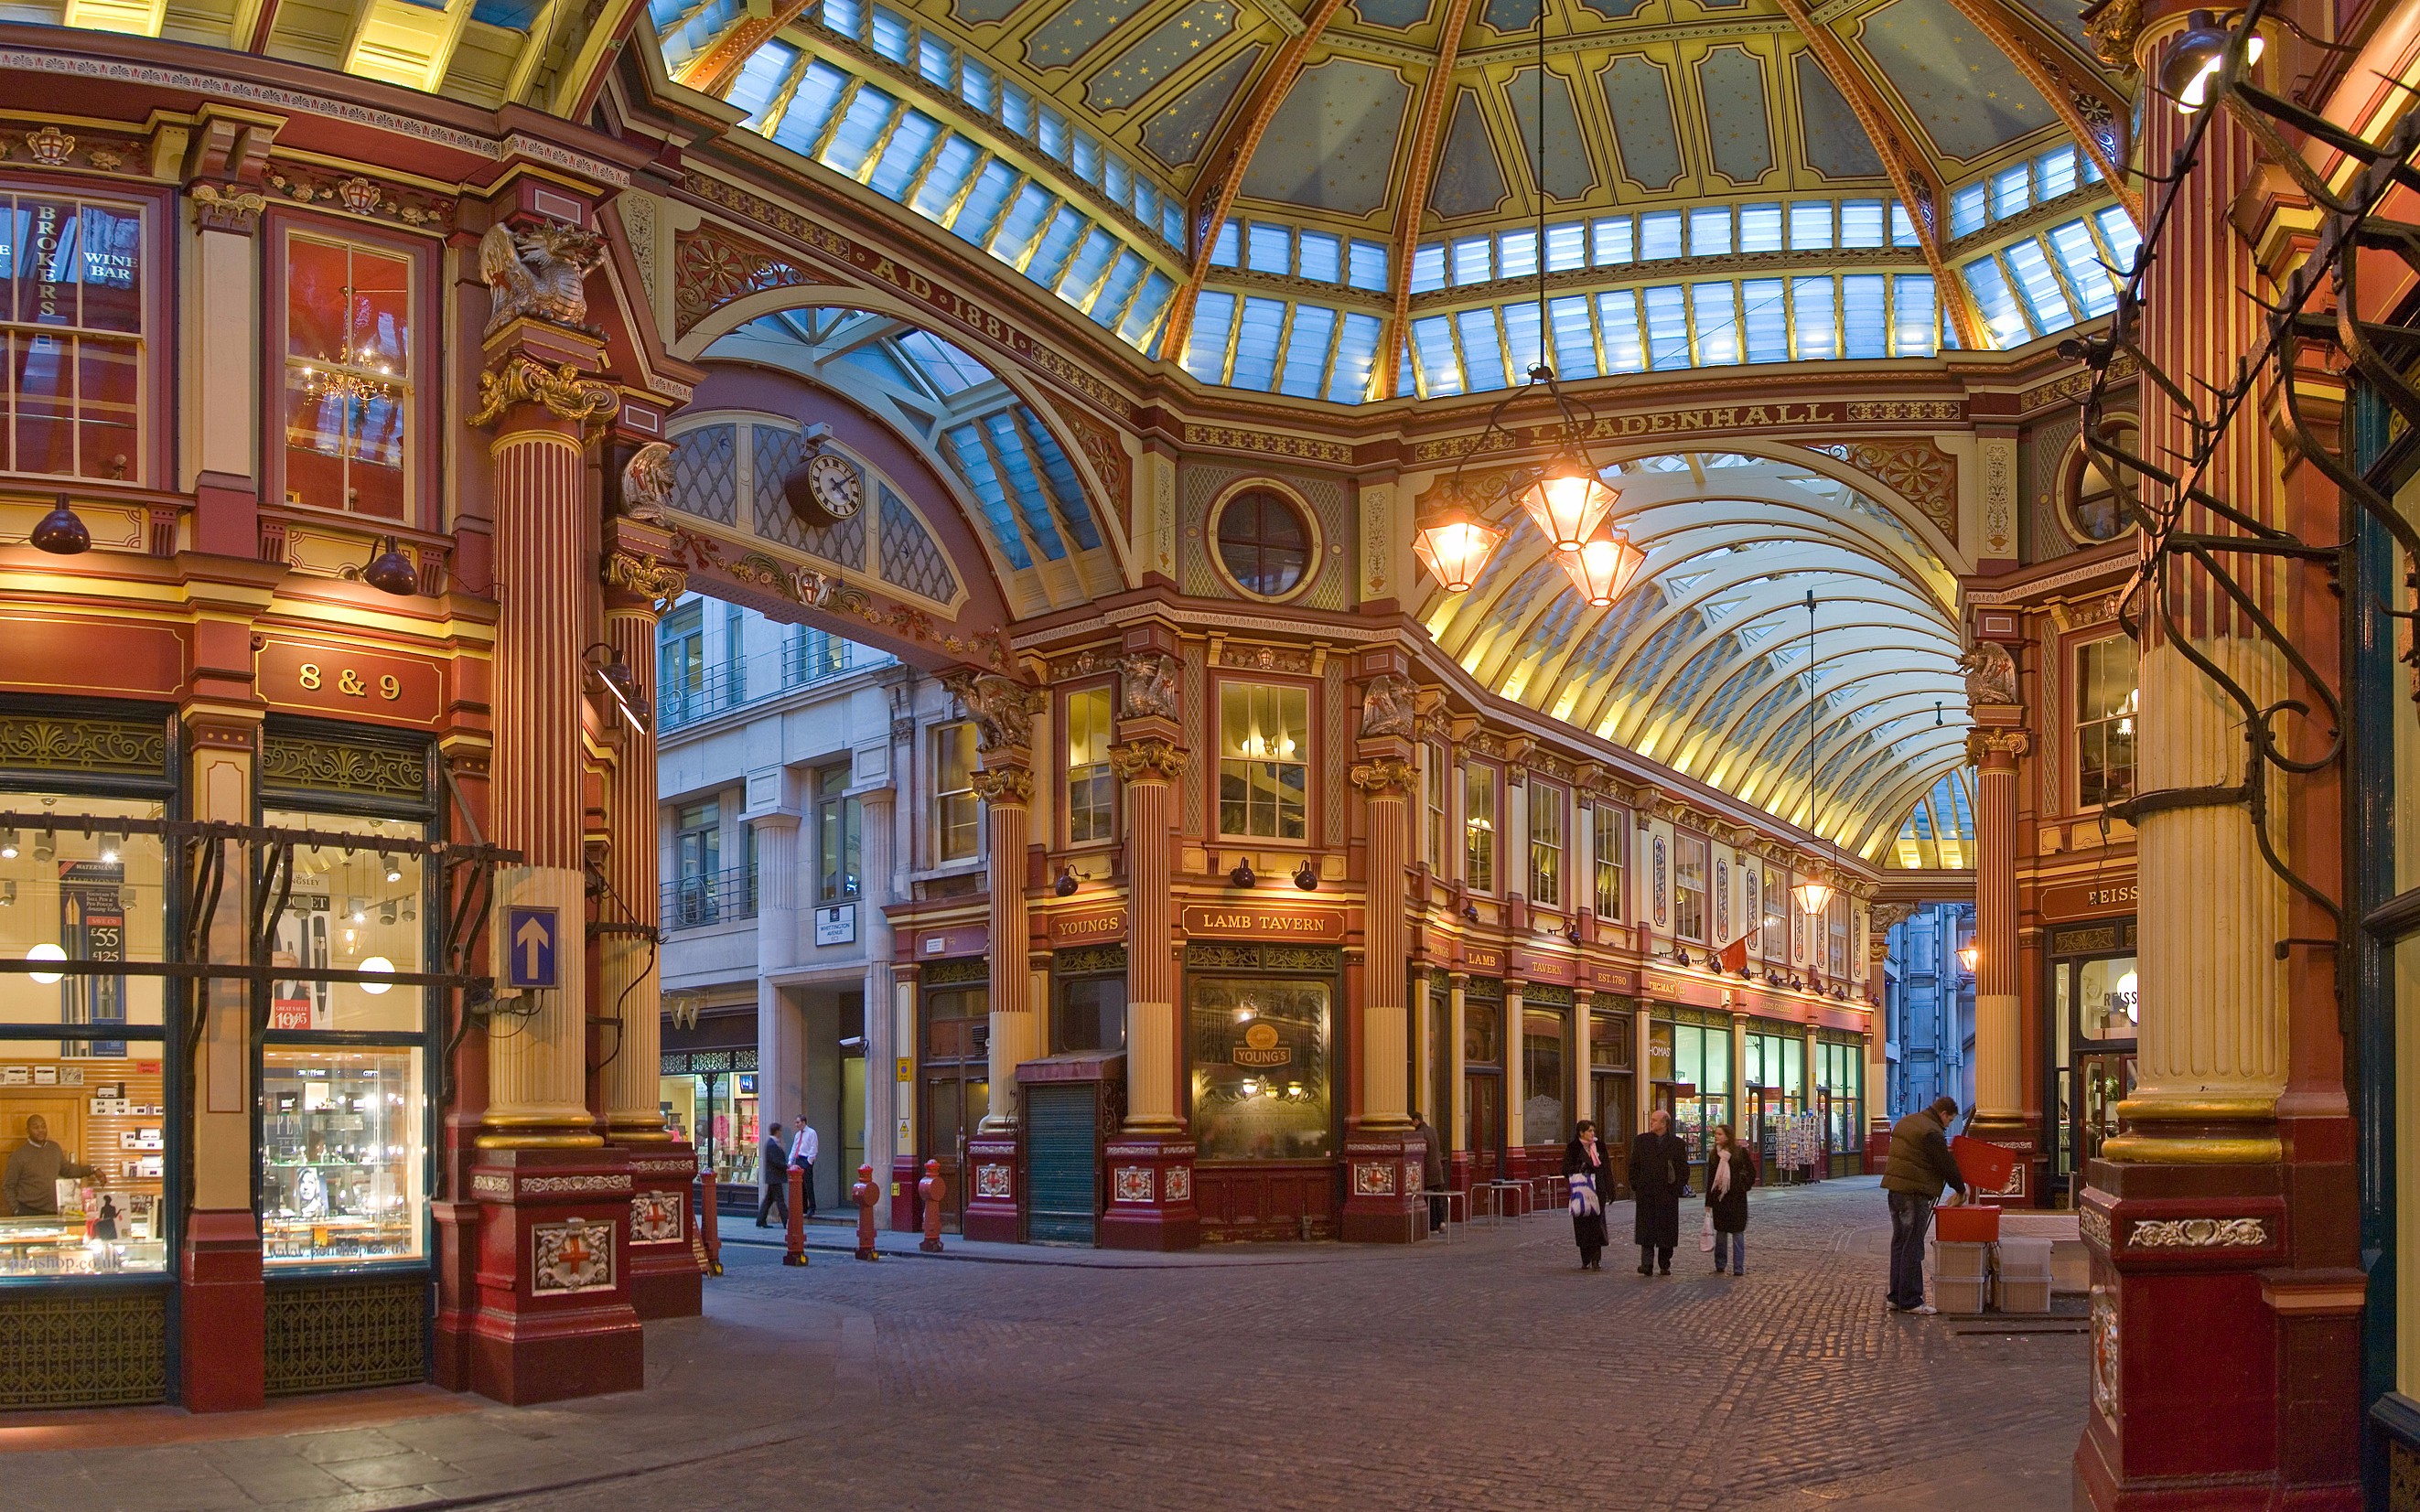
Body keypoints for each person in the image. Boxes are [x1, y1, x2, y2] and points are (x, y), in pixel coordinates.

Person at [1883, 1095, 1972, 1314]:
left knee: (1900, 1243)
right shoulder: (1931, 1131)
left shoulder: (1908, 1121)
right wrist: (1961, 1188)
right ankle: (1912, 1300)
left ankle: (1896, 1297)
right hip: (1914, 1193)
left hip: (1895, 1191)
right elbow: (1945, 1163)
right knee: (1913, 1245)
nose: (1948, 1125)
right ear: (1943, 1114)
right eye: (1949, 1121)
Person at [1628, 1108, 1690, 1276]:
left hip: (1667, 1194)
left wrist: (1677, 1187)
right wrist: (1636, 1185)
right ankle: (1646, 1264)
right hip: (1646, 1193)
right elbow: (1634, 1166)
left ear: (1664, 1124)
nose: (1651, 1123)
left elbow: (1683, 1169)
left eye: (1655, 1120)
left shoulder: (1677, 1144)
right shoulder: (1641, 1141)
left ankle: (1664, 1264)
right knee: (1646, 1230)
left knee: (1666, 1231)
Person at [3, 1115, 98, 1217]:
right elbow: (7, 1186)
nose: (41, 1130)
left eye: (43, 1126)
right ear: (28, 1130)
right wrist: (16, 1210)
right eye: (36, 1127)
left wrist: (93, 1169)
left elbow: (68, 1170)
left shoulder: (54, 1149)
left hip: (53, 1211)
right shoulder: (18, 1155)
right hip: (28, 1212)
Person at [1705, 1123, 1757, 1277]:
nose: (1716, 1137)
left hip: (1737, 1200)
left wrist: (1742, 1187)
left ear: (1727, 1136)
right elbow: (1711, 1180)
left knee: (1737, 1234)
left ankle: (1738, 1268)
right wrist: (1708, 1202)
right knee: (1720, 1234)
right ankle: (1720, 1265)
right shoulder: (1714, 1155)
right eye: (1716, 1134)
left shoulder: (1740, 1153)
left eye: (1719, 1134)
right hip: (1720, 1200)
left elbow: (1751, 1173)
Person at [1563, 1120, 1612, 1271]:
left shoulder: (1600, 1147)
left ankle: (1596, 1259)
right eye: (1589, 1131)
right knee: (1583, 1225)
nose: (1592, 1134)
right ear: (1581, 1133)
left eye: (1593, 1131)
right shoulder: (1573, 1148)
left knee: (1597, 1224)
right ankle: (1585, 1258)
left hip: (1598, 1190)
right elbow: (1565, 1169)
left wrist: (1611, 1190)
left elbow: (1607, 1170)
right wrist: (1579, 1168)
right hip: (1581, 1192)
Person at [1412, 1111, 1446, 1234]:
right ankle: (1442, 1222)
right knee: (1438, 1198)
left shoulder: (1419, 1134)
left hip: (1428, 1172)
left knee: (1430, 1199)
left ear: (1416, 1121)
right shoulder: (1433, 1130)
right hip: (1438, 1169)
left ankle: (1433, 1226)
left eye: (1413, 1123)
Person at [757, 1122, 789, 1228]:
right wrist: (786, 1166)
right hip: (775, 1177)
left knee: (769, 1200)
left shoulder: (774, 1143)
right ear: (776, 1131)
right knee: (780, 1200)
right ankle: (787, 1222)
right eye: (780, 1130)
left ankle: (760, 1220)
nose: (781, 1133)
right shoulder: (771, 1144)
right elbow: (775, 1161)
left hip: (774, 1177)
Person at [790, 1120, 820, 1220]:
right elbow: (794, 1148)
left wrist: (809, 1161)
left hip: (806, 1159)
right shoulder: (798, 1134)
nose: (796, 1124)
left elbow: (813, 1147)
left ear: (803, 1122)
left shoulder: (811, 1133)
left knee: (808, 1184)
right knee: (800, 1185)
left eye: (797, 1122)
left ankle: (812, 1207)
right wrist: (791, 1161)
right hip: (799, 1159)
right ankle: (804, 1207)